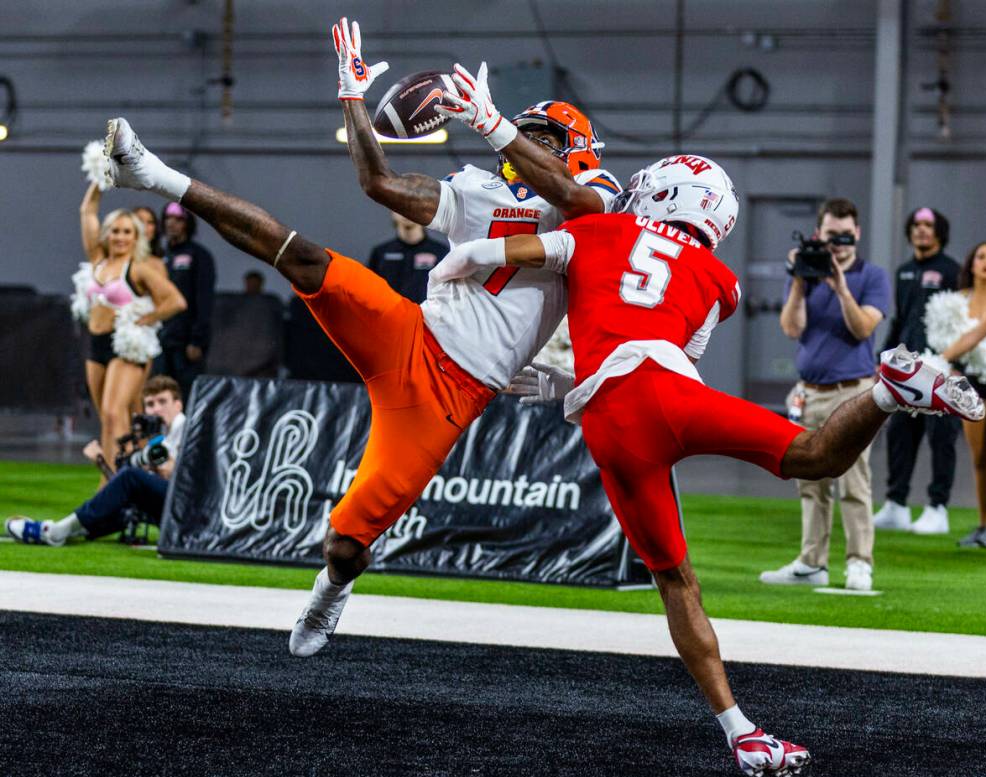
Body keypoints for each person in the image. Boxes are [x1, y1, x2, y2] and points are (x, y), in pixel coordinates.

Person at [429, 154, 984, 777]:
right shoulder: (722, 279)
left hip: (616, 424)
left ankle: (740, 730)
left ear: (668, 194)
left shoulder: (599, 230)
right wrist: (572, 381)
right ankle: (888, 392)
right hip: (665, 396)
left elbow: (482, 257)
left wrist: (454, 302)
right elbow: (671, 354)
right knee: (815, 457)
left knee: (676, 583)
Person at [100, 14, 620, 663]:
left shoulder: (595, 195)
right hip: (408, 329)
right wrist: (353, 101)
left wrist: (493, 122)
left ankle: (331, 586)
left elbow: (574, 197)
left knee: (345, 542)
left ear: (571, 143)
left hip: (447, 395)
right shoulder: (479, 187)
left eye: (538, 137)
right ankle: (150, 173)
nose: (516, 147)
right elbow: (380, 185)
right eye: (518, 135)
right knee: (302, 257)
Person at [760, 198, 890, 592]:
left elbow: (864, 328)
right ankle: (812, 561)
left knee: (854, 478)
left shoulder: (872, 276)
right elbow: (791, 328)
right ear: (819, 235)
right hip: (810, 392)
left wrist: (841, 288)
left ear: (859, 234)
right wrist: (800, 280)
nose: (841, 243)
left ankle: (859, 563)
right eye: (833, 235)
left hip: (854, 393)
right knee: (810, 479)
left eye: (848, 235)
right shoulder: (805, 273)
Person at [74, 181, 187, 480]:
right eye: (116, 230)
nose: (121, 237)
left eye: (127, 231)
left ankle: (120, 483)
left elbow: (176, 301)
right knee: (107, 420)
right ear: (107, 233)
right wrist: (99, 180)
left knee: (116, 414)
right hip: (96, 343)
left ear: (136, 237)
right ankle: (110, 482)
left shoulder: (140, 267)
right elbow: (87, 211)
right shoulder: (98, 260)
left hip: (126, 346)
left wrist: (146, 318)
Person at [5, 376, 186, 546]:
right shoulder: (160, 439)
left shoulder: (186, 427)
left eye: (162, 402)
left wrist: (156, 464)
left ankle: (56, 532)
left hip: (188, 511)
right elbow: (126, 487)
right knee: (125, 504)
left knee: (132, 477)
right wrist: (102, 463)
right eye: (150, 404)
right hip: (172, 510)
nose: (156, 409)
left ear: (178, 405)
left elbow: (175, 477)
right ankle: (67, 532)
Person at [874, 208, 961, 534]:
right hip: (907, 370)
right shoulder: (904, 271)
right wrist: (883, 359)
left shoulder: (953, 271)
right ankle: (896, 504)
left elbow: (962, 321)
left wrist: (956, 365)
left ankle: (937, 508)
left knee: (942, 438)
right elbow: (899, 319)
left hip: (942, 368)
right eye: (916, 225)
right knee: (900, 435)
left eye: (928, 225)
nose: (922, 231)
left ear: (939, 231)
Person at [940, 242, 986, 549]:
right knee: (981, 455)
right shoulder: (964, 300)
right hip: (976, 379)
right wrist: (938, 361)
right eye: (981, 256)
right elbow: (973, 335)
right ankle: (985, 525)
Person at [154, 201, 216, 403]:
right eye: (168, 219)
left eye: (178, 219)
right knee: (160, 393)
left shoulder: (199, 256)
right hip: (161, 339)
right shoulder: (160, 257)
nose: (172, 224)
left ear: (187, 223)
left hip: (186, 342)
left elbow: (204, 299)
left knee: (187, 396)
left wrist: (197, 339)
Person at [366, 212, 448, 304]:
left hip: (427, 316)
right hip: (391, 315)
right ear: (392, 212)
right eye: (400, 206)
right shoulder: (380, 253)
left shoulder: (441, 252)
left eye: (413, 206)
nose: (406, 211)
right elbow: (370, 293)